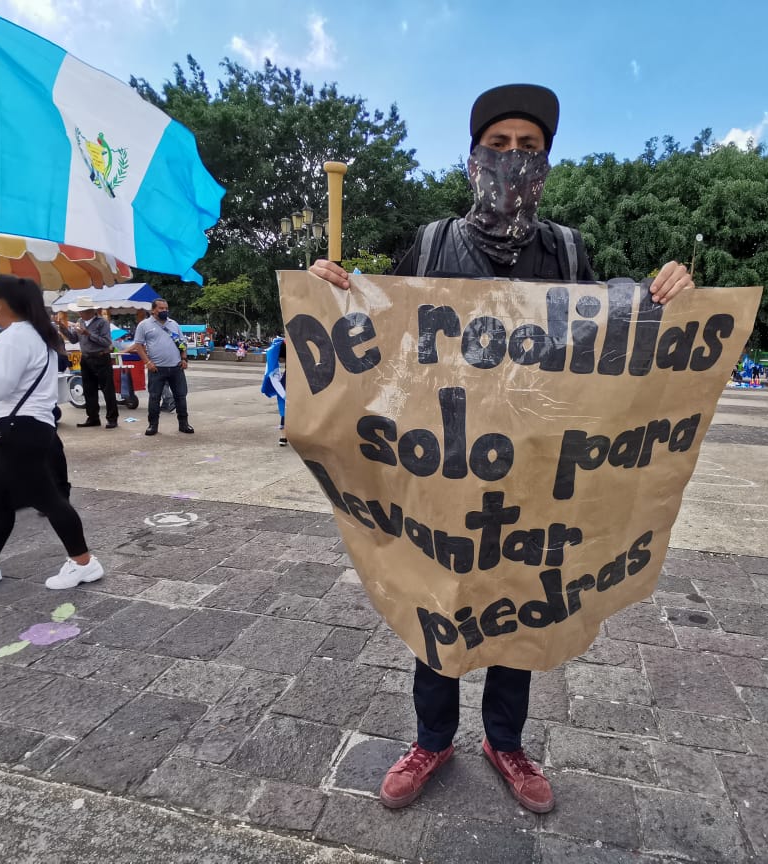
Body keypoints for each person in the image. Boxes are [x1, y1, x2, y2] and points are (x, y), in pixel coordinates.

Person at [308, 83, 694, 815]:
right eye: (499, 145)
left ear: (546, 162)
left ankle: (505, 742)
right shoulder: (430, 242)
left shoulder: (567, 249)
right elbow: (387, 332)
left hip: (534, 470)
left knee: (521, 609)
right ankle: (432, 738)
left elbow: (603, 340)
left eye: (529, 147)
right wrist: (334, 293)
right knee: (439, 604)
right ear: (472, 158)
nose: (512, 160)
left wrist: (666, 297)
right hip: (443, 463)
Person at [0, 275, 103, 589]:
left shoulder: (15, 337)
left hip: (20, 431)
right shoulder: (32, 335)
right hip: (25, 428)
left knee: (49, 500)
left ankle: (84, 561)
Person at [127, 299, 193, 437]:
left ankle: (184, 424)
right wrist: (147, 362)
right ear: (153, 310)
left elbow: (182, 343)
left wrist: (184, 358)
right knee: (154, 398)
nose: (164, 311)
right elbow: (138, 345)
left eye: (166, 308)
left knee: (181, 396)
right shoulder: (144, 325)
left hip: (176, 367)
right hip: (156, 368)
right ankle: (153, 425)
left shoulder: (173, 324)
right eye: (161, 308)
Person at [57, 303, 118, 429]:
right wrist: (64, 329)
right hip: (86, 358)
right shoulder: (80, 321)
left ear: (90, 311)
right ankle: (93, 417)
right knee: (89, 389)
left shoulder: (102, 323)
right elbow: (74, 339)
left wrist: (88, 334)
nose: (80, 314)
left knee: (107, 389)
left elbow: (106, 342)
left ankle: (112, 418)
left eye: (81, 311)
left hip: (101, 357)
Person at [261, 336, 287, 445]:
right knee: (286, 408)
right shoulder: (279, 346)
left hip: (295, 379)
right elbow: (273, 375)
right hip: (291, 379)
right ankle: (284, 435)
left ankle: (284, 435)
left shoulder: (277, 348)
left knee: (286, 409)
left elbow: (272, 374)